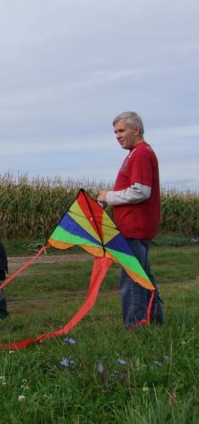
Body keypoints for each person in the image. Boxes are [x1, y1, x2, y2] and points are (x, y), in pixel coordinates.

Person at [97, 111, 163, 328]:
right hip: (133, 228)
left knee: (132, 280)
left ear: (136, 130)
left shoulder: (141, 153)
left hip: (134, 228)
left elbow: (141, 191)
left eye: (121, 130)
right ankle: (153, 321)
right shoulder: (136, 153)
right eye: (115, 132)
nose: (117, 135)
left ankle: (135, 327)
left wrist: (109, 197)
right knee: (144, 276)